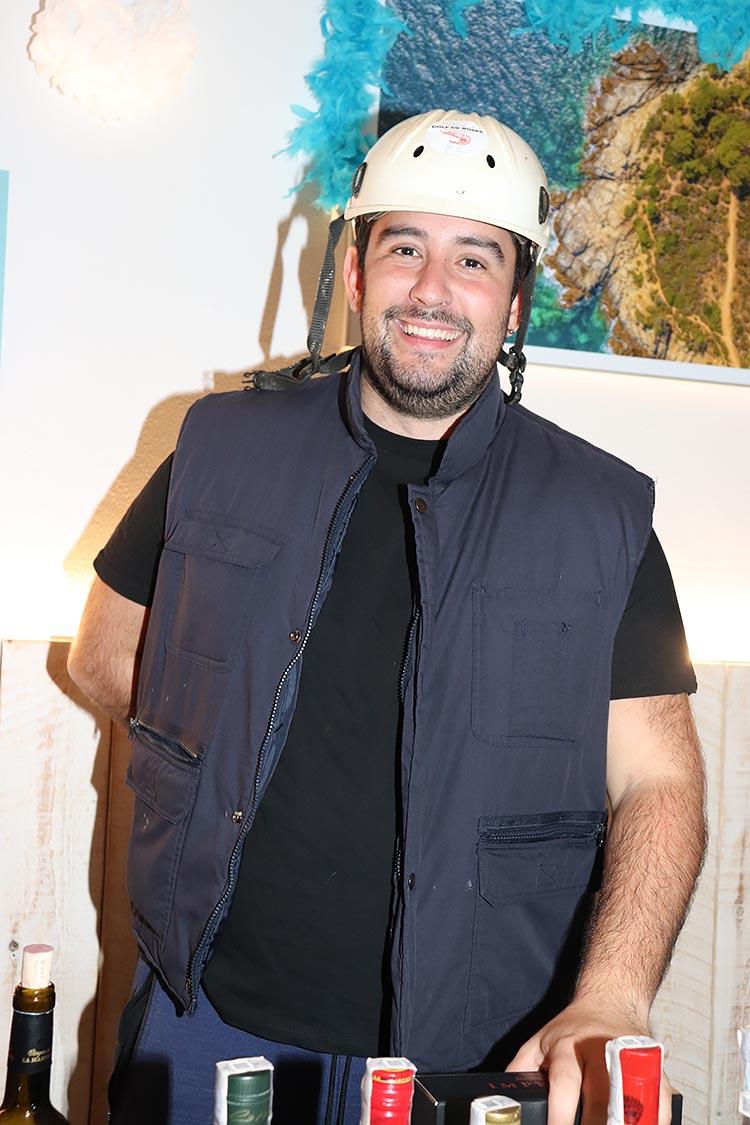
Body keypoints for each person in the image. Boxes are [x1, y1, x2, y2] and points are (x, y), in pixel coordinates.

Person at [68, 110, 705, 1125]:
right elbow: (105, 657)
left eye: (475, 259)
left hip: (477, 1054)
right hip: (207, 1018)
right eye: (405, 247)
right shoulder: (219, 447)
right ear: (358, 271)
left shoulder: (602, 515)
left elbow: (660, 781)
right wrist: (222, 750)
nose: (433, 289)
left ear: (516, 299)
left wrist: (615, 994)